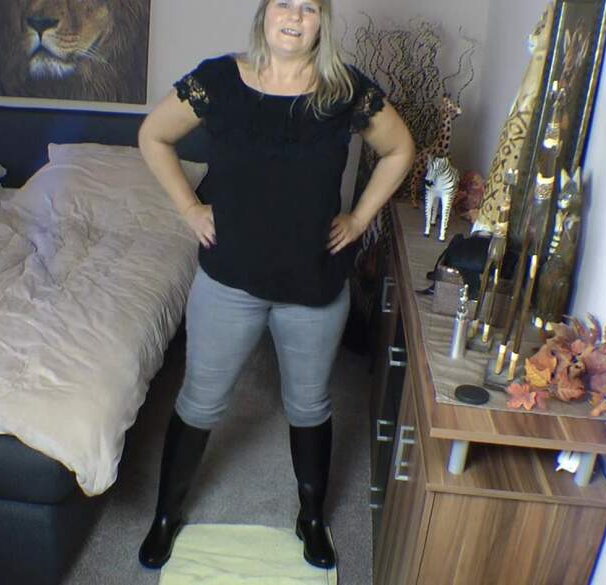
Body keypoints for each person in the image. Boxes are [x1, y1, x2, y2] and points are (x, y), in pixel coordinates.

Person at [137, 0, 415, 570]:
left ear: (322, 21)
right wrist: (189, 208)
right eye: (283, 3)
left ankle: (311, 518)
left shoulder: (345, 90)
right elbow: (153, 135)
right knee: (199, 400)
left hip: (313, 285)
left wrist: (359, 219)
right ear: (264, 13)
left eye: (308, 7)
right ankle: (166, 515)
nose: (294, 16)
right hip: (228, 281)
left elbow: (399, 149)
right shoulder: (218, 80)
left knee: (309, 404)